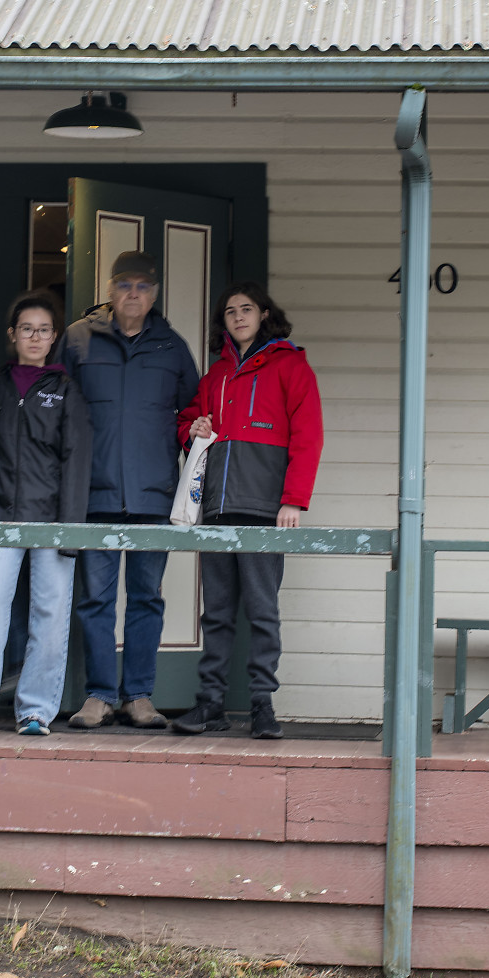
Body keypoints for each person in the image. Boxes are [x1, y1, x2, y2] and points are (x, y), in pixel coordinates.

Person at [173, 283, 323, 739]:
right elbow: (187, 422)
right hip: (216, 509)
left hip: (263, 510)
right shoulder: (215, 375)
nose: (239, 317)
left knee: (262, 611)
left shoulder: (291, 365)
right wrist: (194, 428)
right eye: (230, 311)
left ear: (264, 315)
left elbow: (309, 436)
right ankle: (210, 703)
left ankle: (262, 704)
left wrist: (293, 500)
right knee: (216, 613)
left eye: (247, 309)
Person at [58, 250, 199, 730]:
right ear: (110, 289)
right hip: (94, 495)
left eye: (142, 286)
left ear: (154, 294)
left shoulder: (172, 347)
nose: (133, 293)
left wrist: (193, 435)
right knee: (95, 601)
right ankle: (99, 694)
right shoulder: (78, 339)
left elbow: (190, 415)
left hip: (152, 497)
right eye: (124, 284)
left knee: (146, 598)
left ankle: (138, 695)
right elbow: (56, 409)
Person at [0, 291, 92, 738]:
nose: (35, 336)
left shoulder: (66, 390)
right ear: (12, 334)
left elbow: (77, 461)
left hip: (52, 519)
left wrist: (70, 530)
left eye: (43, 330)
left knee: (50, 614)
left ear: (54, 337)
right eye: (26, 328)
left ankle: (36, 711)